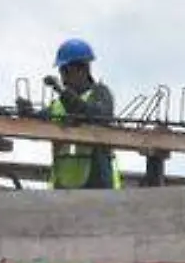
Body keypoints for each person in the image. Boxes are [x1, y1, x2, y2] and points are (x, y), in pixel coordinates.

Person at [17, 38, 122, 190]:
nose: (63, 77)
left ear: (84, 69)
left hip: (97, 189)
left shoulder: (101, 95)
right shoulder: (59, 104)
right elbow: (39, 122)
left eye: (66, 71)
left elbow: (92, 116)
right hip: (63, 189)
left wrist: (61, 91)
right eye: (61, 71)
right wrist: (28, 113)